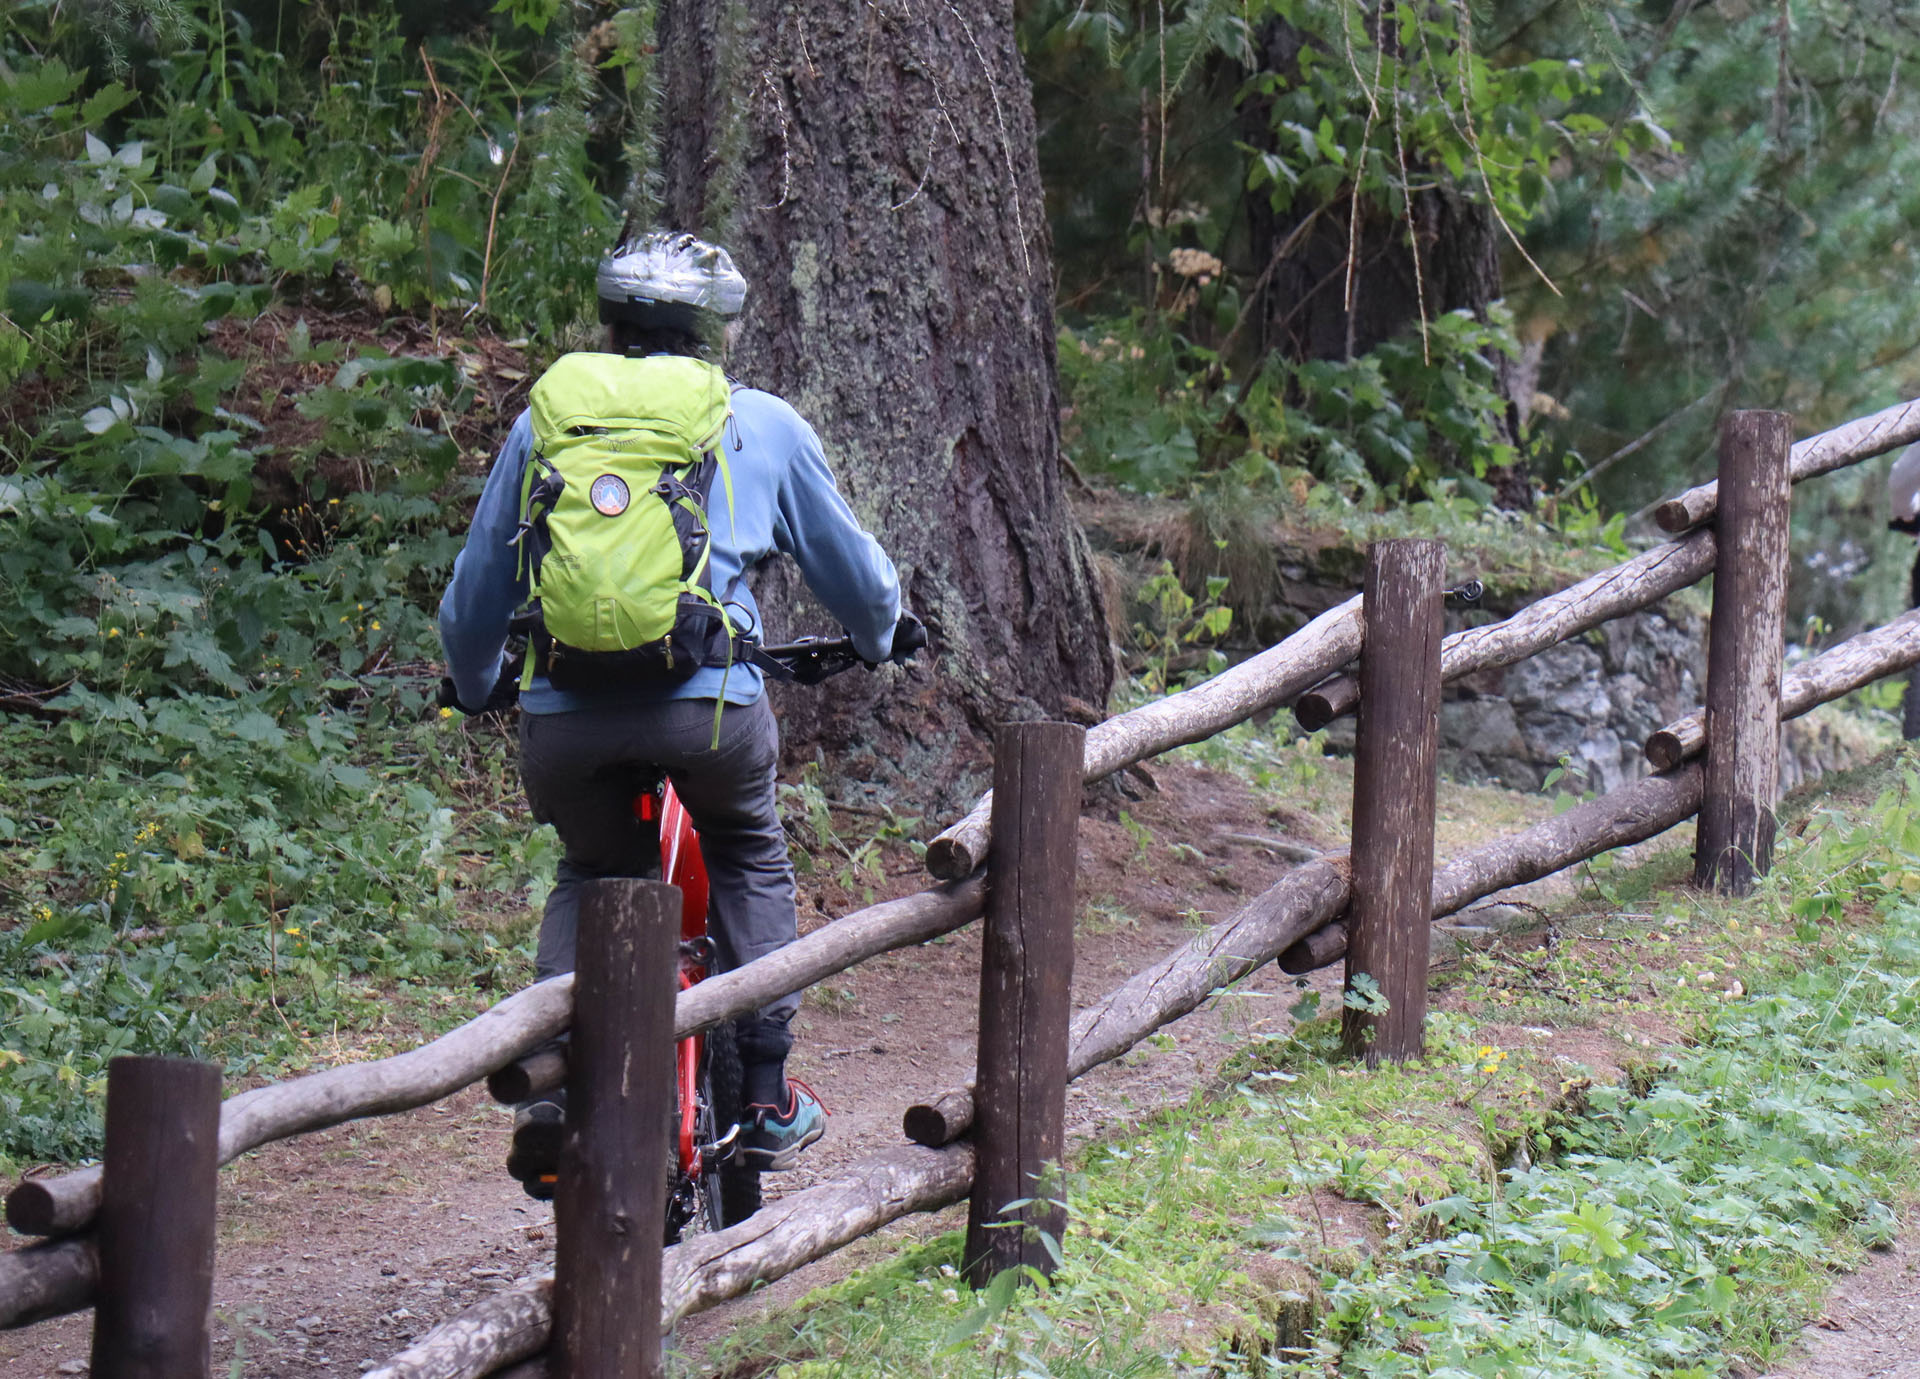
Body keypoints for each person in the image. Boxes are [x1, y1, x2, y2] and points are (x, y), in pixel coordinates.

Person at [438, 231, 918, 1196]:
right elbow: (860, 581)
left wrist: (479, 677)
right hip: (709, 715)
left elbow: (473, 599)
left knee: (590, 870)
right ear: (714, 332)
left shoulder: (546, 422)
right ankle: (767, 1092)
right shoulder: (759, 423)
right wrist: (881, 635)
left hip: (566, 717)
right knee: (747, 848)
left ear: (611, 325)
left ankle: (548, 1095)